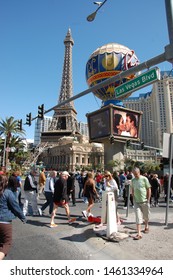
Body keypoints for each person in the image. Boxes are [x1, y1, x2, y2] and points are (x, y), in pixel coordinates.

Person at [0, 174, 27, 260]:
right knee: (6, 244)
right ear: (6, 182)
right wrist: (23, 218)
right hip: (4, 222)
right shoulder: (8, 193)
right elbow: (15, 207)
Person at [131, 167, 151, 240]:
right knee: (138, 217)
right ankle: (139, 233)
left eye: (136, 174)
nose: (135, 175)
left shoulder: (144, 179)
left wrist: (148, 199)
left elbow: (148, 189)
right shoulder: (133, 180)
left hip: (144, 201)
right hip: (136, 201)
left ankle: (146, 226)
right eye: (134, 174)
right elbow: (132, 189)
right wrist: (133, 197)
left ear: (139, 172)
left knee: (146, 216)